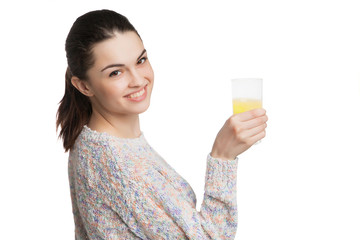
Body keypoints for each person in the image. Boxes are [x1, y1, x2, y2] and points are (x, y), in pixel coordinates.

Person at [56, 9, 268, 240]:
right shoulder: (117, 163)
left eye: (141, 60)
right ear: (84, 86)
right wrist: (223, 157)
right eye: (116, 72)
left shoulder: (100, 143)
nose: (138, 80)